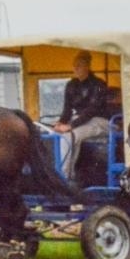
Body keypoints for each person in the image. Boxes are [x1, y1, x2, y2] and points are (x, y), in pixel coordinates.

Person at [53, 51, 112, 184]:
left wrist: (70, 126)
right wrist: (60, 123)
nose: (76, 68)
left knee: (69, 136)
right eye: (74, 65)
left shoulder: (99, 84)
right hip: (80, 120)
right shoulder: (71, 85)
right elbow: (67, 109)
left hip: (100, 121)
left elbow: (92, 110)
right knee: (53, 133)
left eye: (79, 65)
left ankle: (64, 179)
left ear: (88, 66)